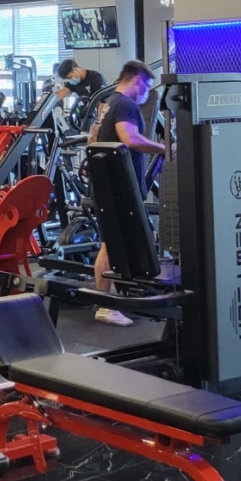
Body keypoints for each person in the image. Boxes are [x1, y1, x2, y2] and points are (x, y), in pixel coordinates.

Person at [91, 60, 166, 327]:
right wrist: (164, 148)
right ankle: (106, 305)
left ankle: (116, 297)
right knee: (112, 246)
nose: (146, 92)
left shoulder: (109, 103)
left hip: (109, 183)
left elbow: (93, 137)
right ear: (136, 80)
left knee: (118, 243)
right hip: (118, 186)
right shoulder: (126, 105)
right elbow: (130, 139)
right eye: (147, 85)